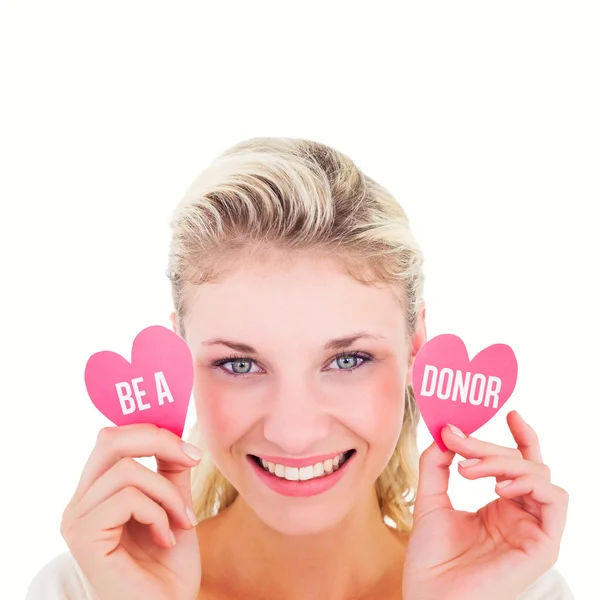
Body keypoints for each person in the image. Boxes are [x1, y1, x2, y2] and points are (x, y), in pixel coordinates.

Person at [26, 137, 574, 599]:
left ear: (416, 348)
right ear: (180, 357)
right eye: (239, 364)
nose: (293, 431)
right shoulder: (87, 588)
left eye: (348, 360)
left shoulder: (514, 587)